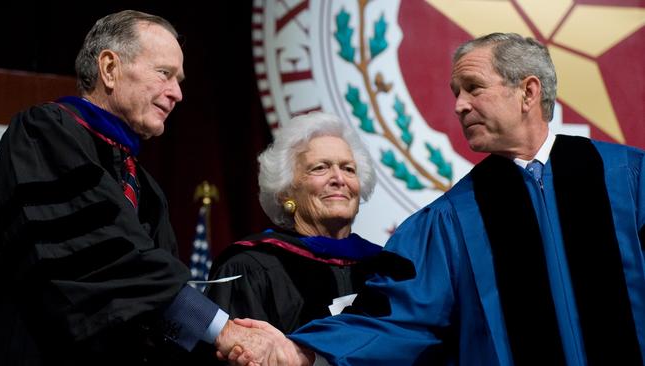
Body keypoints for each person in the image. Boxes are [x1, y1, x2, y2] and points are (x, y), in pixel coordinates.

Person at [220, 32, 645, 365]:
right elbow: (397, 316)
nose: (459, 106)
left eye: (473, 88)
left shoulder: (627, 178)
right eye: (456, 92)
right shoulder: (452, 219)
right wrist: (301, 352)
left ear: (528, 92)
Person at [0, 10, 257, 365]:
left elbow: (154, 305)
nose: (177, 93)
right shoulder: (44, 132)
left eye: (179, 80)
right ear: (109, 68)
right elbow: (106, 255)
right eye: (164, 73)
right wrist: (219, 329)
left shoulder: (145, 186)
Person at [205, 111, 383, 334]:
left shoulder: (385, 269)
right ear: (285, 191)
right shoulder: (251, 269)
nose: (339, 179)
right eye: (320, 167)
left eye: (349, 169)